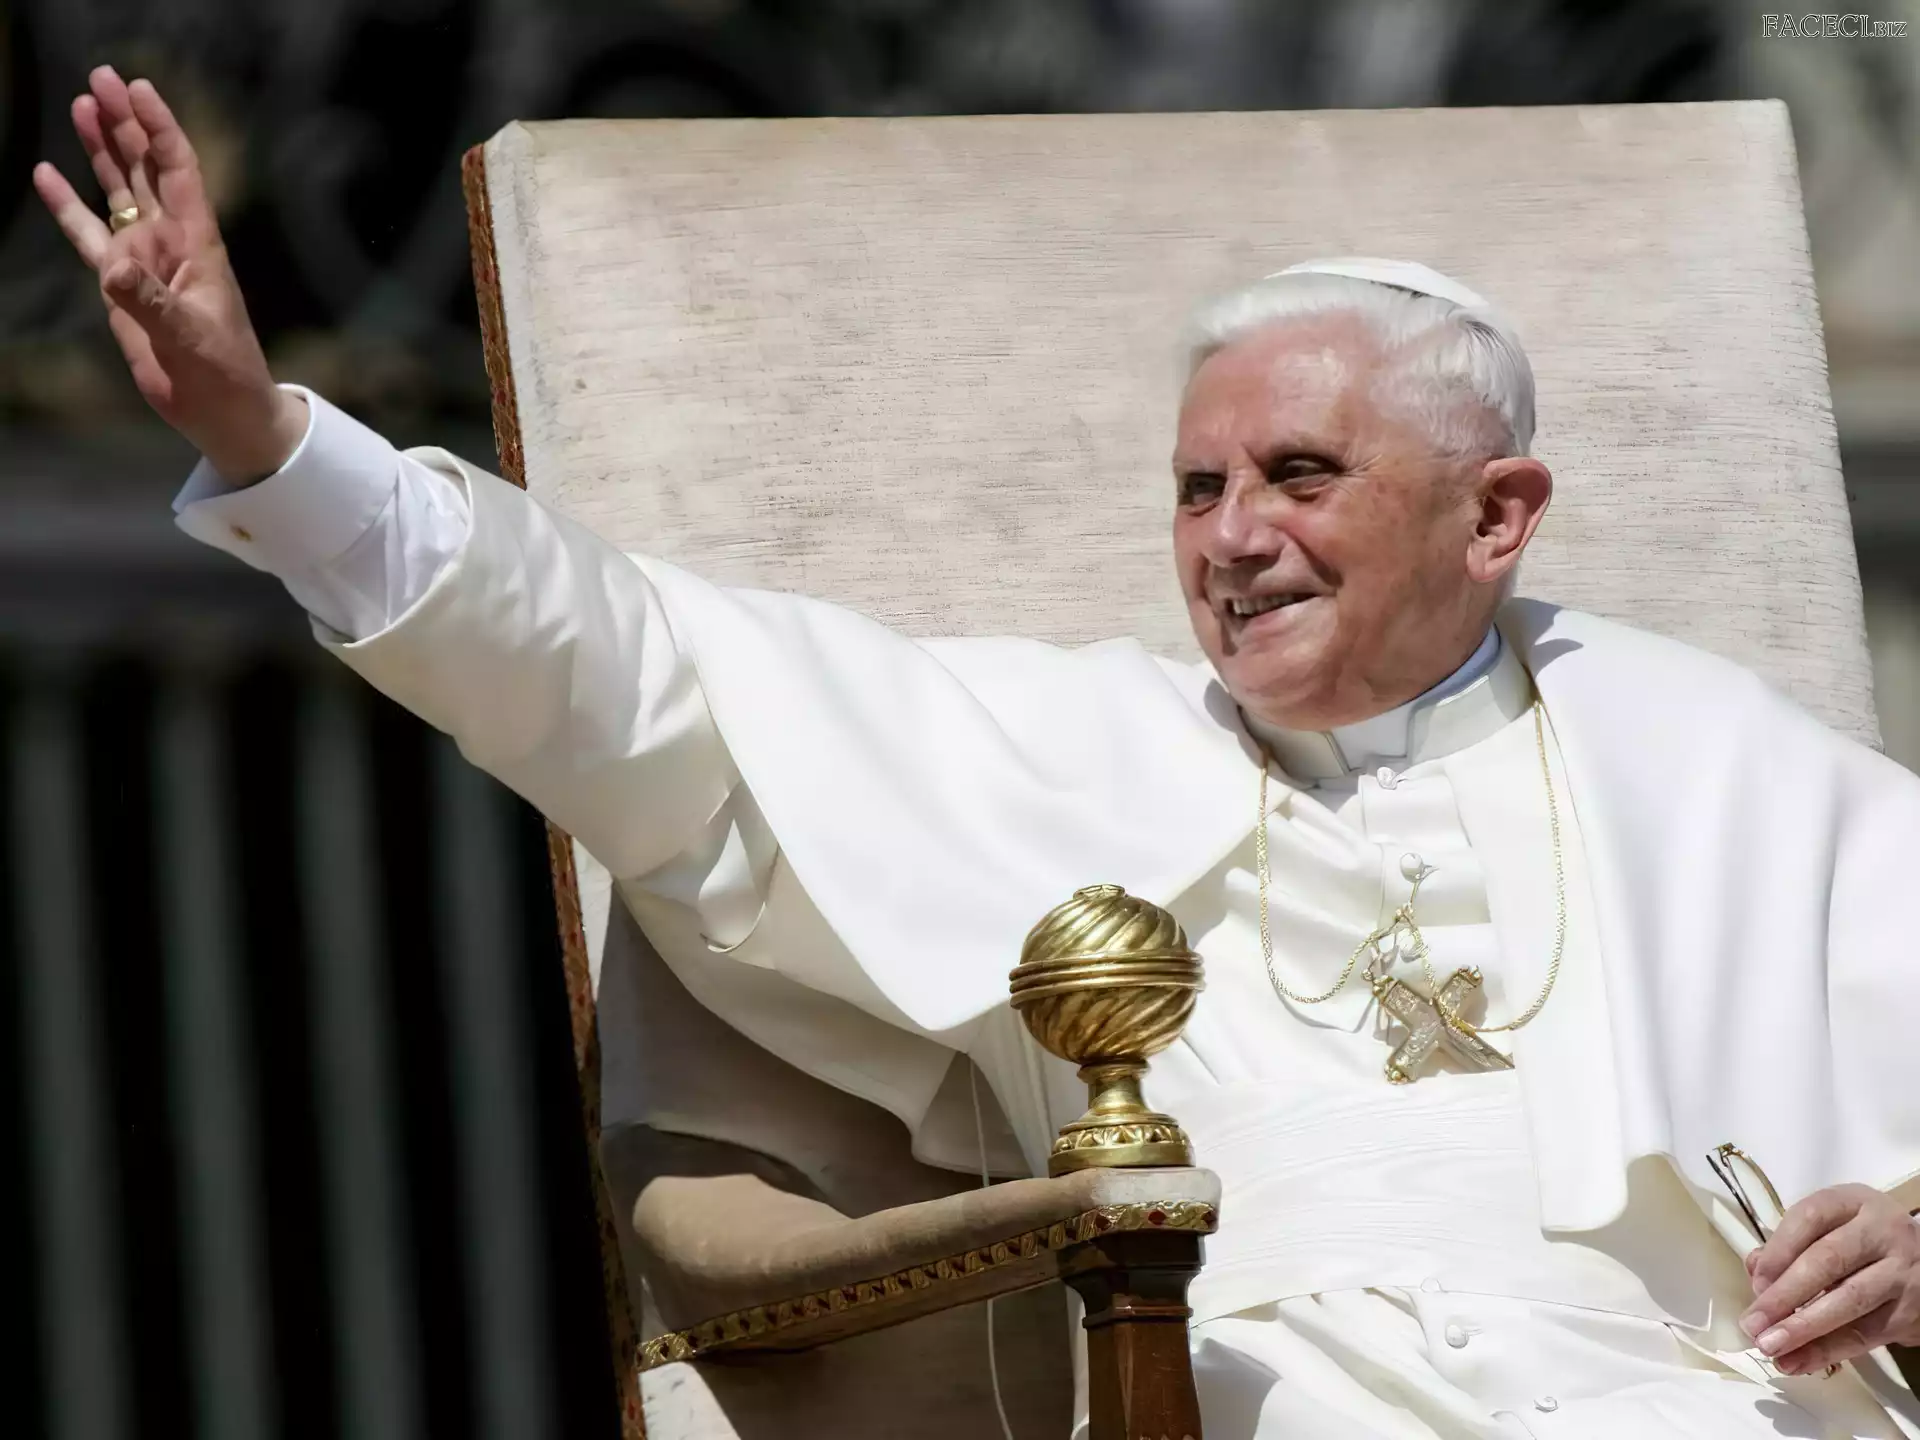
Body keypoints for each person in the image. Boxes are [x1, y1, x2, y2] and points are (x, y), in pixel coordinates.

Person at [36, 65, 1920, 1440]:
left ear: (1496, 516)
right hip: (1268, 1391)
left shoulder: (1730, 764)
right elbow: (616, 670)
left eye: (1299, 476)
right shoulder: (1050, 745)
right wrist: (271, 442)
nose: (1232, 538)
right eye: (1195, 487)